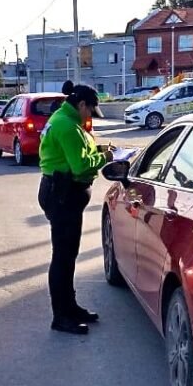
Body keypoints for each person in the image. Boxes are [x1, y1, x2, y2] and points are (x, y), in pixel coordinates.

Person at [38, 82, 114, 335]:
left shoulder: (62, 117)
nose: (90, 116)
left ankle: (70, 307)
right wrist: (106, 158)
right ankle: (61, 316)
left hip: (61, 192)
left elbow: (77, 153)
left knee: (67, 256)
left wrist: (98, 149)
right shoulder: (67, 126)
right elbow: (80, 167)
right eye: (90, 110)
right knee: (62, 257)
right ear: (81, 104)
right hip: (63, 195)